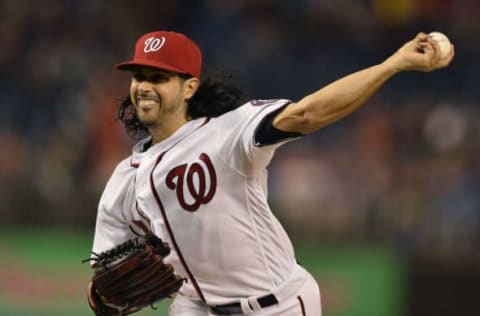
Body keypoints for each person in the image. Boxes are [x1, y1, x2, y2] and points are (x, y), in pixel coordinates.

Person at [89, 30, 454, 316]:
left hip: (276, 304)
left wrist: (391, 64)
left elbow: (307, 114)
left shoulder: (228, 131)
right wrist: (102, 296)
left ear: (189, 87)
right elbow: (103, 275)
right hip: (196, 308)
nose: (144, 86)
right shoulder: (124, 180)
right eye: (139, 76)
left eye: (158, 77)